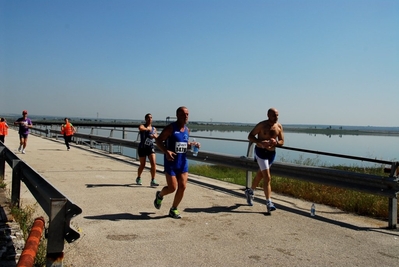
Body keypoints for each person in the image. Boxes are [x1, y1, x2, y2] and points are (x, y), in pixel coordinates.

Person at [154, 106, 199, 219]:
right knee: (172, 188)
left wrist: (192, 145)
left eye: (187, 114)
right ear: (178, 115)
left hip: (183, 162)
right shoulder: (170, 128)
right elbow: (158, 140)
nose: (186, 116)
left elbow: (184, 145)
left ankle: (174, 208)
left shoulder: (187, 130)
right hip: (171, 162)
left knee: (182, 186)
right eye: (184, 114)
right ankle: (160, 195)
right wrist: (166, 151)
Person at [245, 107, 284, 213]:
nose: (276, 117)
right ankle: (269, 202)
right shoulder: (262, 125)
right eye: (274, 115)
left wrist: (276, 142)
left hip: (271, 154)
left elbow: (281, 141)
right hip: (261, 152)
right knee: (267, 177)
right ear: (268, 115)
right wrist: (260, 142)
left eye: (277, 115)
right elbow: (250, 136)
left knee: (261, 175)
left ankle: (250, 191)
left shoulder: (279, 126)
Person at [136, 113, 159, 187]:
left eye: (151, 118)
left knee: (153, 163)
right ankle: (139, 177)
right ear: (145, 119)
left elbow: (156, 135)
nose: (150, 119)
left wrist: (155, 136)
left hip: (150, 147)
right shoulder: (143, 126)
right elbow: (140, 128)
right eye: (148, 118)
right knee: (142, 165)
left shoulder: (154, 128)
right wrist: (147, 129)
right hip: (142, 148)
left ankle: (153, 180)